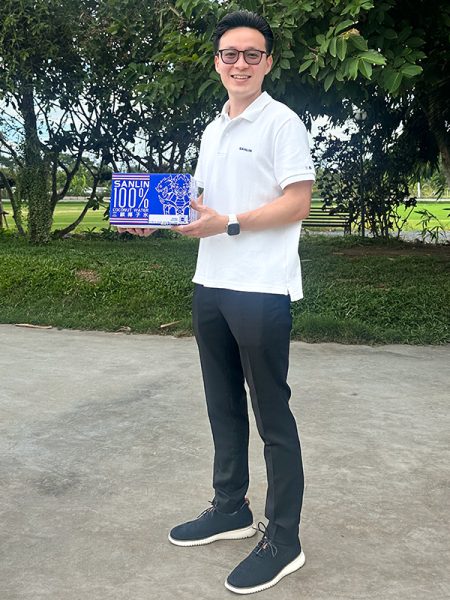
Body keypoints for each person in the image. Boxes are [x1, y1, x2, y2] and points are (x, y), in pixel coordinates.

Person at [120, 10, 315, 595]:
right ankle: (230, 507)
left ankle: (284, 539)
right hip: (212, 284)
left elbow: (297, 202)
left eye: (251, 54)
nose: (240, 64)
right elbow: (197, 199)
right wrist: (150, 219)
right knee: (222, 404)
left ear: (268, 63)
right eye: (230, 54)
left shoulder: (282, 123)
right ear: (217, 62)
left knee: (271, 415)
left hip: (260, 288)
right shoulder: (213, 127)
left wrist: (228, 224)